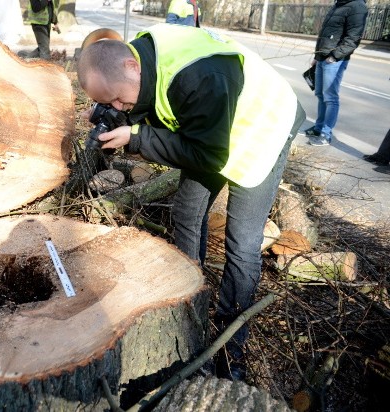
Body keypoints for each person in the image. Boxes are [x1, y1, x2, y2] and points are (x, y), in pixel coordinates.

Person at [77, 24, 306, 381]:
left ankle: (232, 350)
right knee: (186, 213)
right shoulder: (138, 62)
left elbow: (207, 155)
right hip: (212, 127)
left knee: (242, 244)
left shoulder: (200, 77)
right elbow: (149, 102)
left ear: (131, 67)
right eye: (110, 103)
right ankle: (190, 310)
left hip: (261, 130)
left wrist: (136, 137)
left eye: (120, 100)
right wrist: (117, 115)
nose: (120, 107)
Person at [305, 0, 368, 146]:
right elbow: (325, 33)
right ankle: (318, 128)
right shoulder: (339, 3)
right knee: (320, 94)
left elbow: (354, 38)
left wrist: (335, 56)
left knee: (330, 97)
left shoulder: (357, 6)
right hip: (323, 56)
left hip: (334, 59)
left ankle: (326, 135)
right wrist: (316, 56)